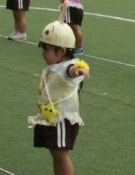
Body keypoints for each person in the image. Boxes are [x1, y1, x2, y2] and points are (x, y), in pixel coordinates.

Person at [28, 20, 89, 175]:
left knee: (60, 154)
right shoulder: (54, 67)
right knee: (55, 153)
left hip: (62, 119)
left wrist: (78, 71)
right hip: (52, 117)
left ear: (62, 51)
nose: (43, 53)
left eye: (46, 49)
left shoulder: (67, 66)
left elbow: (71, 70)